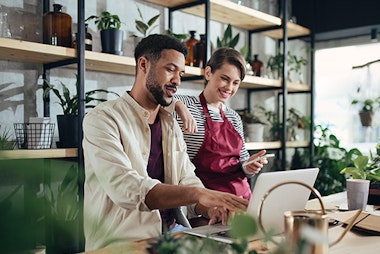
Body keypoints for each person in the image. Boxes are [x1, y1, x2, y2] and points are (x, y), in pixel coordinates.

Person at [82, 34, 248, 251]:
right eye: (170, 70)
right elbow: (125, 188)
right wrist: (201, 194)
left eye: (181, 74)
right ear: (143, 64)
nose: (177, 81)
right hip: (123, 244)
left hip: (173, 235)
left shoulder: (170, 124)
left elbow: (186, 178)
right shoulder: (102, 119)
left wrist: (210, 209)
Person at [174, 47, 269, 201]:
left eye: (236, 83)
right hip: (207, 202)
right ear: (208, 73)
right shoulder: (186, 105)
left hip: (243, 199)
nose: (229, 88)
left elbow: (242, 164)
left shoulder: (234, 117)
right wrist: (177, 105)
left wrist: (249, 166)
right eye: (225, 78)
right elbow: (156, 99)